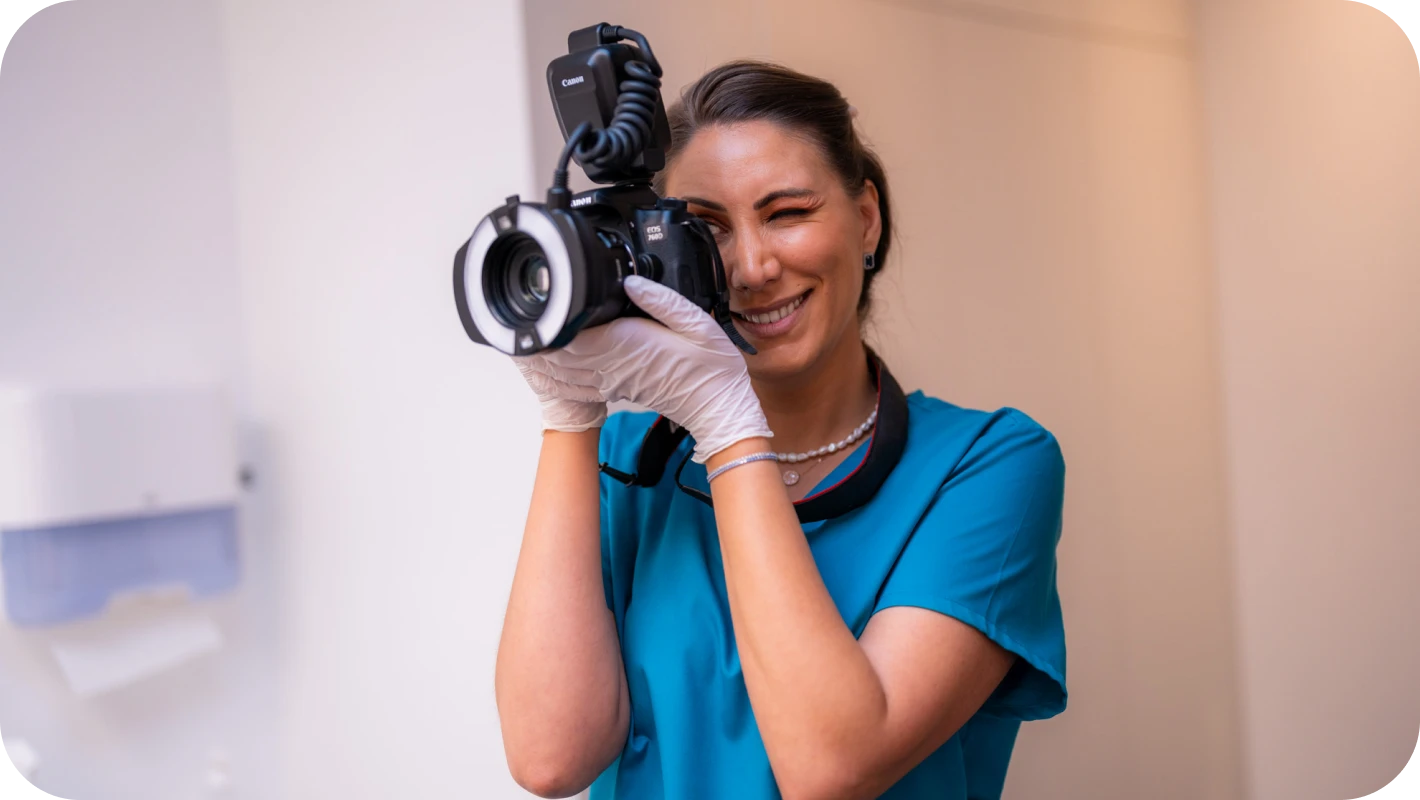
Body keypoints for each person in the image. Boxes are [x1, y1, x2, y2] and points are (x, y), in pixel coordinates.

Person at [494, 60, 1067, 800]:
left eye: (787, 213)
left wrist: (728, 426)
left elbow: (831, 767)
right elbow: (549, 758)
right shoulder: (625, 461)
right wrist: (570, 411)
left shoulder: (988, 466)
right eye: (705, 230)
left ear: (866, 217)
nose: (752, 267)